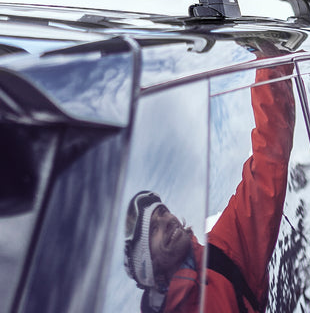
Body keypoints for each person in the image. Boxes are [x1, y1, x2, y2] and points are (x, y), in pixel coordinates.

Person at [121, 63, 295, 313]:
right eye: (153, 229)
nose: (167, 220)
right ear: (147, 266)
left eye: (162, 213)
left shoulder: (224, 255)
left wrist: (270, 63)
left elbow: (269, 161)